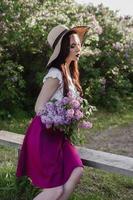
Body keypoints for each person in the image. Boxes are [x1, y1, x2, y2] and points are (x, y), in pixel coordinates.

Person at [16, 24, 89, 200]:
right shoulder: (56, 73)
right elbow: (38, 107)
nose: (78, 49)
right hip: (44, 134)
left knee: (77, 171)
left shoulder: (69, 72)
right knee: (55, 191)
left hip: (59, 136)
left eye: (78, 44)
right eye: (72, 46)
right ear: (63, 49)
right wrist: (62, 117)